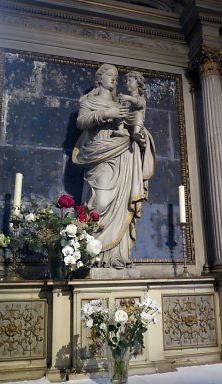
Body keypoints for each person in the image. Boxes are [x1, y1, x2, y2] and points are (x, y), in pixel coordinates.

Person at [72, 64, 155, 269]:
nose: (114, 80)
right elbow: (81, 122)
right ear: (99, 78)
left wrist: (139, 136)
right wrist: (106, 113)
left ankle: (117, 255)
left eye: (116, 77)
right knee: (99, 202)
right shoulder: (88, 100)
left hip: (123, 153)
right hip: (99, 152)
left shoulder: (121, 101)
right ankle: (92, 253)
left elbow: (135, 122)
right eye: (110, 75)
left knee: (123, 202)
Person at [119, 70, 146, 149]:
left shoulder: (140, 98)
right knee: (119, 112)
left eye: (130, 81)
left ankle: (136, 132)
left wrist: (127, 98)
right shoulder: (126, 98)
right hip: (125, 120)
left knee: (139, 114)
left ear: (138, 83)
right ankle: (120, 130)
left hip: (135, 121)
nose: (127, 83)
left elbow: (139, 103)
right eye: (126, 81)